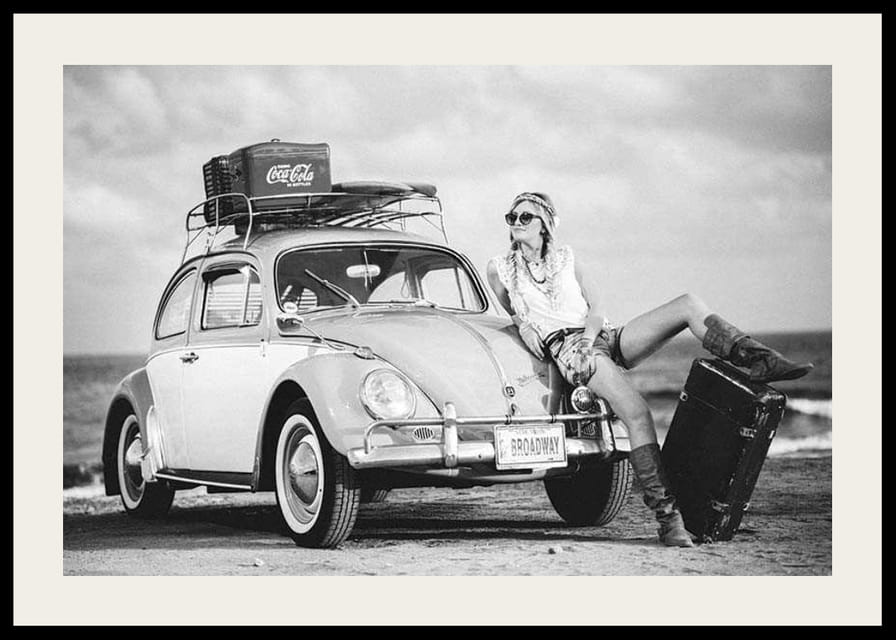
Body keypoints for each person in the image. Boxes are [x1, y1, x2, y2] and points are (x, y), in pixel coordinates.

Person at [486, 191, 813, 548]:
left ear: (545, 225)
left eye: (525, 217)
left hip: (600, 335)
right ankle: (668, 520)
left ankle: (758, 358)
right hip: (570, 351)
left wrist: (592, 336)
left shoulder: (568, 259)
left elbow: (596, 308)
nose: (516, 223)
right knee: (638, 414)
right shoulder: (499, 268)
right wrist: (526, 327)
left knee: (687, 304)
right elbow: (515, 313)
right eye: (512, 217)